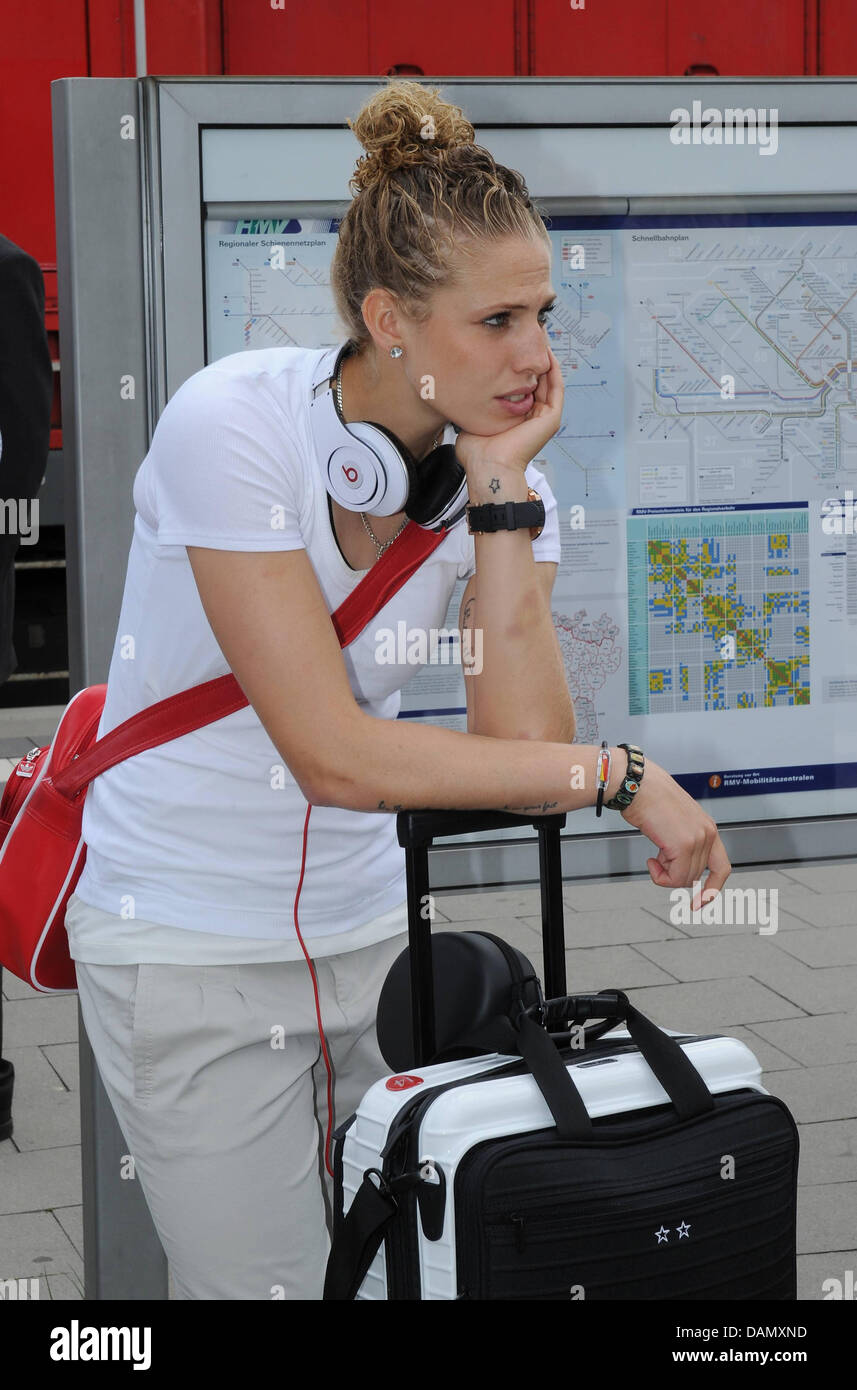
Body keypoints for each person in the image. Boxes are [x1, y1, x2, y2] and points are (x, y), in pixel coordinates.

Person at [64, 78, 731, 1301]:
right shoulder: (233, 426)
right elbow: (333, 755)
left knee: (400, 1280)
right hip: (197, 949)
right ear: (390, 319)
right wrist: (620, 778)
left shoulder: (489, 467)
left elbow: (520, 746)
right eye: (495, 321)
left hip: (375, 945)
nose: (536, 355)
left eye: (543, 310)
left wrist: (496, 495)